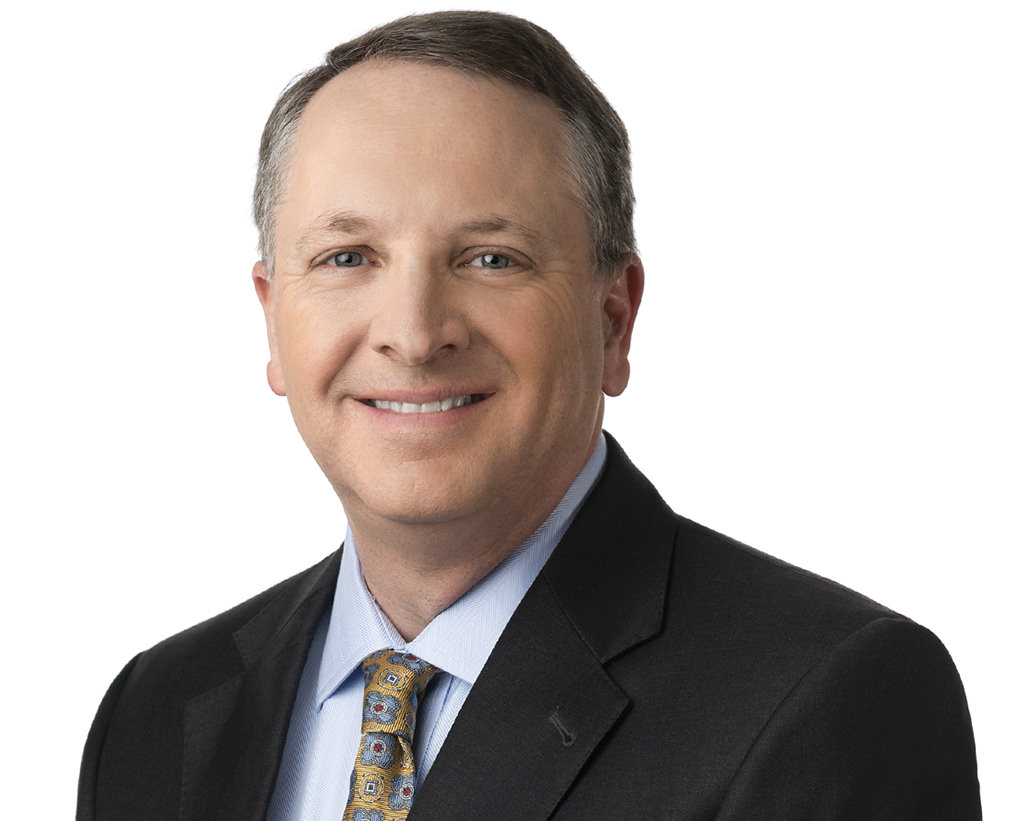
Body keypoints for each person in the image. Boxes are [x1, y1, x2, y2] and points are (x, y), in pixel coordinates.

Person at [77, 11, 980, 820]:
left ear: (612, 319)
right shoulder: (156, 710)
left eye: (491, 258)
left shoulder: (832, 697)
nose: (413, 334)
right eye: (348, 256)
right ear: (274, 319)